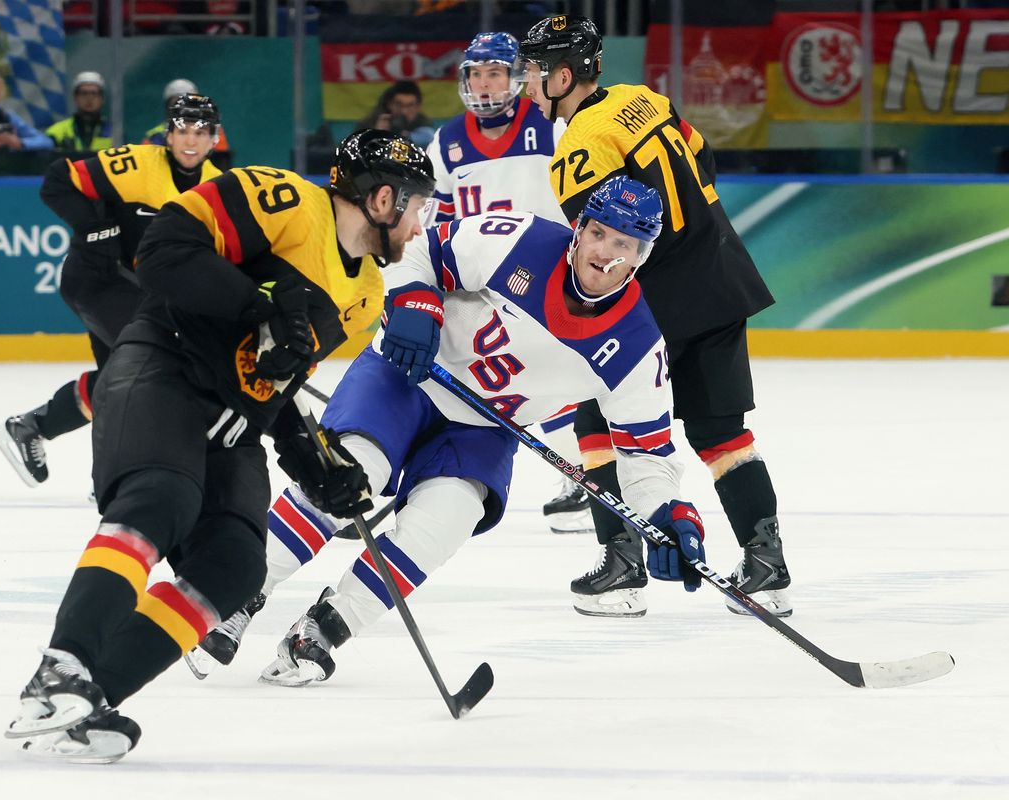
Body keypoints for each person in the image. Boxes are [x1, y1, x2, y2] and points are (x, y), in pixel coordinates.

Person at [1, 129, 436, 763]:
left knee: (235, 568)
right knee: (161, 498)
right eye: (420, 207)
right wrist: (257, 302)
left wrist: (314, 463)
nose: (422, 226)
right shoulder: (283, 197)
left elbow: (279, 379)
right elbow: (164, 252)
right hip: (162, 365)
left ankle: (90, 699)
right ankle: (59, 671)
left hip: (232, 419)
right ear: (384, 199)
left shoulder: (365, 293)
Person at [185, 177, 710, 686]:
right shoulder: (521, 240)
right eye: (598, 233)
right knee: (347, 474)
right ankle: (239, 591)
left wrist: (668, 516)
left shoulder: (638, 346)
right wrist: (415, 297)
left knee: (443, 523)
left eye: (624, 243)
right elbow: (419, 249)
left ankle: (326, 628)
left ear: (642, 256)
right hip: (408, 375)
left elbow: (647, 454)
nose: (604, 252)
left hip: (485, 429)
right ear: (579, 228)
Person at [518, 15, 790, 618]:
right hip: (720, 276)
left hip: (650, 306)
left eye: (535, 74)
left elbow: (606, 248)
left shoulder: (580, 144)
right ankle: (766, 565)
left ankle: (623, 563)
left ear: (563, 76)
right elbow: (703, 156)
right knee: (723, 434)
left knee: (594, 418)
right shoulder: (641, 100)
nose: (527, 86)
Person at [0, 94, 223, 487]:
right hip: (96, 279)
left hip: (139, 294)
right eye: (181, 129)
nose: (189, 140)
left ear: (215, 138)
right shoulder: (135, 164)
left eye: (200, 132)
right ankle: (48, 432)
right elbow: (57, 181)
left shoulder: (218, 188)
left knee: (121, 381)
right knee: (157, 368)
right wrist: (94, 229)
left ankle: (53, 440)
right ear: (167, 134)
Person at [425, 31, 589, 535]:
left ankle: (585, 474)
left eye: (494, 72)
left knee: (540, 380)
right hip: (478, 284)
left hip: (543, 274)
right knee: (495, 381)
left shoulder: (551, 125)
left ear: (517, 78)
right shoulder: (448, 142)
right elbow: (437, 218)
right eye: (476, 73)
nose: (485, 83)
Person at [143, 78, 232, 165]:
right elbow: (145, 165)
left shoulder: (213, 130)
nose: (182, 108)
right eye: (175, 103)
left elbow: (223, 163)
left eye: (187, 104)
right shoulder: (154, 136)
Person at [354, 80, 435, 148]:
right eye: (399, 105)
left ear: (418, 107)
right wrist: (376, 134)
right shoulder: (370, 122)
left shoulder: (423, 122)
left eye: (410, 106)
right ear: (389, 104)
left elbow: (428, 139)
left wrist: (404, 136)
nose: (404, 111)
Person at [45, 71, 113, 151]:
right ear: (75, 98)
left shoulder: (114, 132)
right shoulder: (56, 132)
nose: (89, 98)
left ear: (102, 99)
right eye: (84, 93)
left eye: (94, 93)